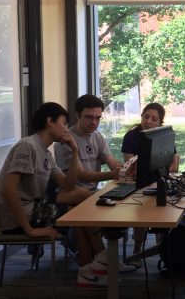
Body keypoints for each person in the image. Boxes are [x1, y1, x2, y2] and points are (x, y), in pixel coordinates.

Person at [0, 103, 103, 286]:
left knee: (80, 199)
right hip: (16, 220)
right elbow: (8, 189)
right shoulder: (28, 146)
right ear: (50, 121)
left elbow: (68, 185)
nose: (67, 129)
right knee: (79, 205)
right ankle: (97, 260)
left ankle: (91, 265)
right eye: (64, 123)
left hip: (33, 210)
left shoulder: (46, 153)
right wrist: (29, 229)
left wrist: (75, 151)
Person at [53, 94, 136, 286]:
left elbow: (109, 159)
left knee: (88, 205)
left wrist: (121, 168)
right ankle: (102, 259)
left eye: (98, 118)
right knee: (82, 207)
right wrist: (113, 175)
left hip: (89, 194)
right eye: (89, 117)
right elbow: (79, 177)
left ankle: (96, 264)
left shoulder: (97, 136)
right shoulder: (65, 141)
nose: (94, 122)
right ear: (77, 116)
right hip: (70, 194)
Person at [121, 102, 179, 262]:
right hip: (138, 182)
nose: (148, 121)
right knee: (140, 213)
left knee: (163, 211)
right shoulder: (131, 136)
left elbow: (174, 163)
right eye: (146, 117)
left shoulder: (163, 135)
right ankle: (137, 248)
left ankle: (162, 247)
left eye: (154, 119)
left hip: (160, 180)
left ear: (160, 122)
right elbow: (130, 165)